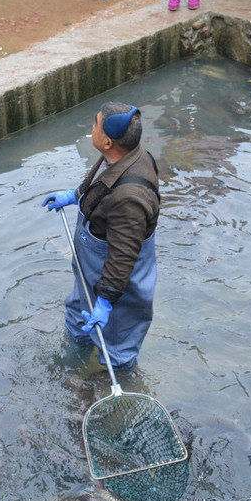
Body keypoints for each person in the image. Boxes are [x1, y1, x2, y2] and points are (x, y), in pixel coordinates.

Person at [42, 103, 160, 371]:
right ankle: (76, 357)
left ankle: (118, 382)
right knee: (78, 318)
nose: (91, 127)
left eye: (95, 124)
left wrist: (106, 301)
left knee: (117, 346)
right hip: (91, 272)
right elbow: (100, 179)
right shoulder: (123, 154)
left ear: (107, 141)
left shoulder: (130, 198)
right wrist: (75, 195)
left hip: (118, 285)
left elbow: (123, 256)